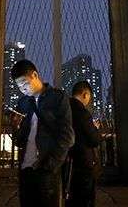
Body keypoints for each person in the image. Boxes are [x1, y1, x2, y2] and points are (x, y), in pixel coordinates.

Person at [10, 59, 75, 207]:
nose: (22, 89)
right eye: (19, 86)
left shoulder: (57, 98)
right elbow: (21, 141)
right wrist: (15, 127)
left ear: (34, 75)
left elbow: (67, 136)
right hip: (26, 170)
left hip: (46, 169)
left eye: (24, 83)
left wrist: (51, 165)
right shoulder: (24, 102)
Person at [67, 81, 103, 207]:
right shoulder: (83, 113)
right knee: (85, 198)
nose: (88, 101)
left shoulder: (65, 109)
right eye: (89, 98)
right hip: (83, 162)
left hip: (68, 161)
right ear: (85, 94)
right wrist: (95, 129)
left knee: (71, 198)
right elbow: (94, 140)